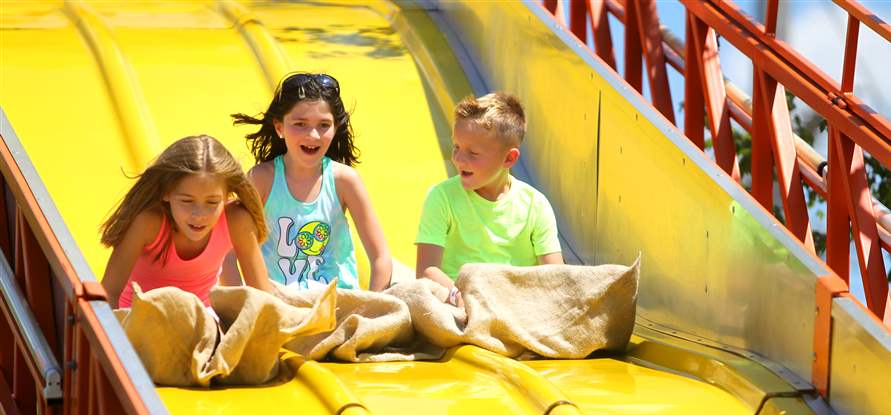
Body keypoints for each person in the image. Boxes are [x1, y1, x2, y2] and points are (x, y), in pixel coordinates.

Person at [232, 72, 391, 291]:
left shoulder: (344, 181)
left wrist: (375, 307)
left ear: (335, 128)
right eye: (300, 124)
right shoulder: (262, 179)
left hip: (335, 306)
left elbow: (381, 257)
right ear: (279, 127)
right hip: (280, 306)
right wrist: (245, 304)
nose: (313, 135)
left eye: (324, 125)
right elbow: (227, 251)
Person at [415, 92, 564, 307]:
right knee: (414, 297)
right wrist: (459, 298)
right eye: (456, 146)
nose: (458, 158)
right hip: (457, 301)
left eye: (473, 153)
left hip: (516, 303)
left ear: (509, 158)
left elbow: (554, 275)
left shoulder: (535, 205)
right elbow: (427, 270)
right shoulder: (442, 197)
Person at [100, 134, 272, 309]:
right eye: (187, 201)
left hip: (201, 323)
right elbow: (109, 292)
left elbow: (263, 297)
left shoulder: (236, 221)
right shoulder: (148, 223)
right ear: (166, 192)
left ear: (227, 196)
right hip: (141, 321)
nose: (199, 214)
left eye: (212, 202)